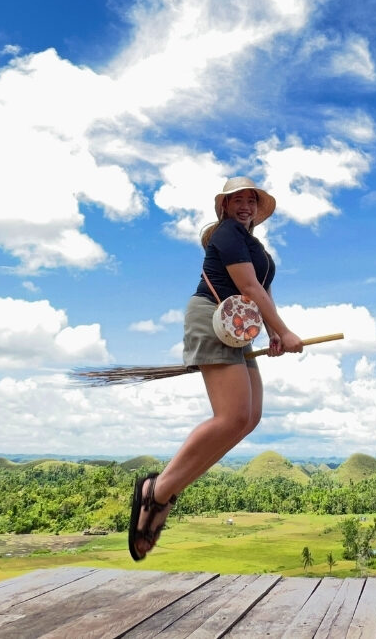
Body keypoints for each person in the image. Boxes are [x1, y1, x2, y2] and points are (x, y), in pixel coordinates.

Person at [129, 176, 303, 561]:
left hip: (239, 327)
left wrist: (273, 332)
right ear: (224, 206)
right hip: (212, 318)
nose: (244, 205)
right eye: (237, 199)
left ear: (258, 209)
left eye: (251, 201)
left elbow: (263, 291)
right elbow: (249, 287)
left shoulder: (253, 243)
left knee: (249, 417)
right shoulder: (227, 234)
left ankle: (166, 492)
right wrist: (285, 331)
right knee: (231, 416)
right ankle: (155, 493)